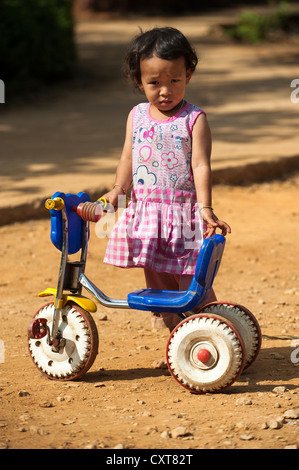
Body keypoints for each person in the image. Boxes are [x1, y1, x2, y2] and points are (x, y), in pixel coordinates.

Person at [101, 27, 231, 366]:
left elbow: (201, 165)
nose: (165, 91)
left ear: (188, 74)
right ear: (138, 81)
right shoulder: (136, 115)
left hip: (183, 215)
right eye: (154, 82)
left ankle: (217, 340)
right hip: (146, 215)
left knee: (192, 282)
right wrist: (119, 189)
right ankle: (180, 345)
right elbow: (128, 158)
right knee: (159, 287)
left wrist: (206, 208)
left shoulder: (194, 119)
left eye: (175, 80)